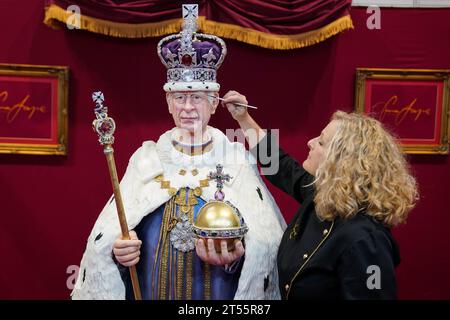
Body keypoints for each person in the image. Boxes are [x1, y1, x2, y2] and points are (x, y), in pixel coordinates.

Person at [71, 6, 285, 300]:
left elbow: (265, 241)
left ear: (213, 103)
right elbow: (112, 235)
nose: (187, 107)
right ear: (168, 103)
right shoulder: (146, 159)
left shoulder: (235, 159)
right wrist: (119, 250)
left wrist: (236, 256)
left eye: (197, 97)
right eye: (179, 98)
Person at [222, 90, 419, 299]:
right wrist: (242, 117)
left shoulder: (366, 240)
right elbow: (279, 165)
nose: (311, 142)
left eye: (321, 142)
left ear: (342, 161)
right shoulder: (324, 196)